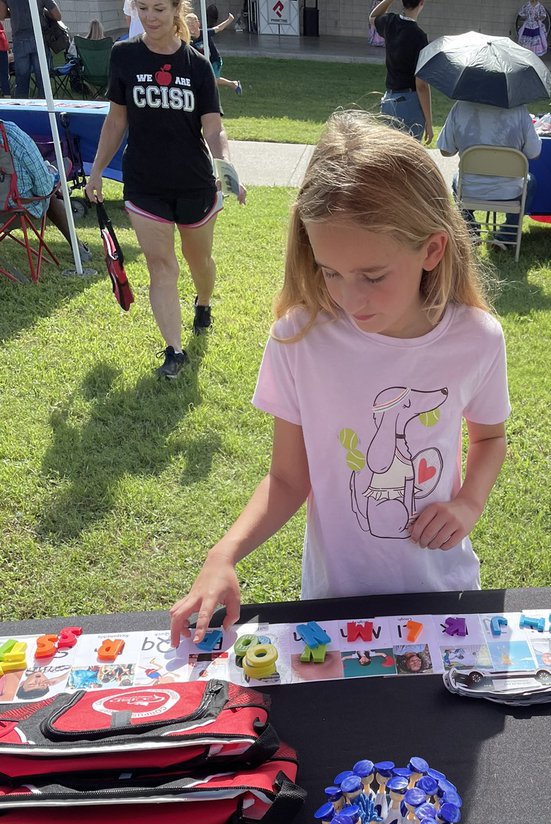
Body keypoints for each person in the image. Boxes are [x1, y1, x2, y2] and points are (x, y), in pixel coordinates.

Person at [169, 110, 510, 646]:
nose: (350, 299)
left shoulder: (477, 339)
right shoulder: (298, 338)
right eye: (330, 272)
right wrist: (223, 554)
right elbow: (287, 479)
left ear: (432, 249)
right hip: (332, 605)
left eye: (372, 276)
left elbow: (489, 438)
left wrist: (468, 503)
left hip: (443, 597)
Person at [85, 0, 246, 381]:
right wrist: (96, 172)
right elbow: (115, 121)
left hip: (193, 183)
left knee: (198, 262)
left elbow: (213, 128)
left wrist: (226, 168)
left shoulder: (198, 66)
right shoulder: (124, 56)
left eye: (159, 8)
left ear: (176, 9)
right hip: (144, 184)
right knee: (161, 266)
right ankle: (174, 350)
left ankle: (203, 301)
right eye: (143, 8)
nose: (150, 17)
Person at [437, 98, 541, 250]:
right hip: (509, 189)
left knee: (456, 179)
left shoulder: (460, 107)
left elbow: (445, 151)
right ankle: (507, 236)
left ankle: (469, 230)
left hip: (470, 188)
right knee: (530, 182)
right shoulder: (519, 110)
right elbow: (534, 153)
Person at [2, 119, 91, 263]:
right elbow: (44, 189)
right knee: (48, 189)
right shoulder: (9, 133)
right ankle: (77, 246)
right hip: (12, 212)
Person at [369, 0, 431, 143]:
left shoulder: (390, 22)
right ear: (422, 3)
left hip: (389, 101)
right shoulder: (419, 36)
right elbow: (421, 85)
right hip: (410, 103)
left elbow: (372, 17)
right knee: (409, 159)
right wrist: (428, 120)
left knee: (390, 157)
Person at [0, 0, 62, 98]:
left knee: (21, 80)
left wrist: (15, 13)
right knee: (43, 80)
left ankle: (22, 110)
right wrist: (42, 12)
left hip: (19, 39)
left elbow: (1, 14)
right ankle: (46, 109)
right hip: (40, 38)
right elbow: (57, 16)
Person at [187, 8, 241, 94]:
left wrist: (229, 20)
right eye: (189, 26)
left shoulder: (204, 33)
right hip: (204, 62)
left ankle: (233, 84)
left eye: (192, 25)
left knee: (213, 80)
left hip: (214, 60)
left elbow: (219, 28)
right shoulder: (189, 40)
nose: (191, 28)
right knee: (205, 80)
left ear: (198, 24)